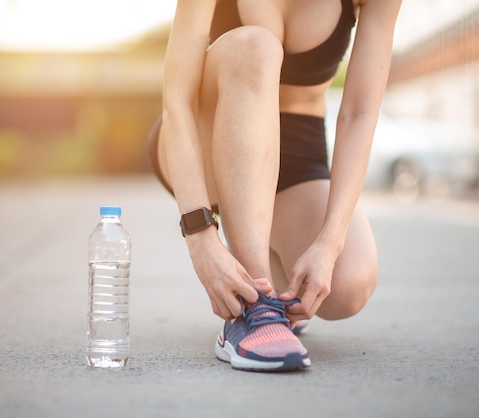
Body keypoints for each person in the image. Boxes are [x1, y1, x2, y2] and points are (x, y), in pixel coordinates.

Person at [148, 0, 402, 372]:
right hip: (205, 135)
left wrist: (329, 244)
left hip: (298, 146)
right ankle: (253, 308)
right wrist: (200, 237)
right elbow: (177, 99)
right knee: (257, 46)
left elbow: (359, 111)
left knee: (349, 282)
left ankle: (271, 286)